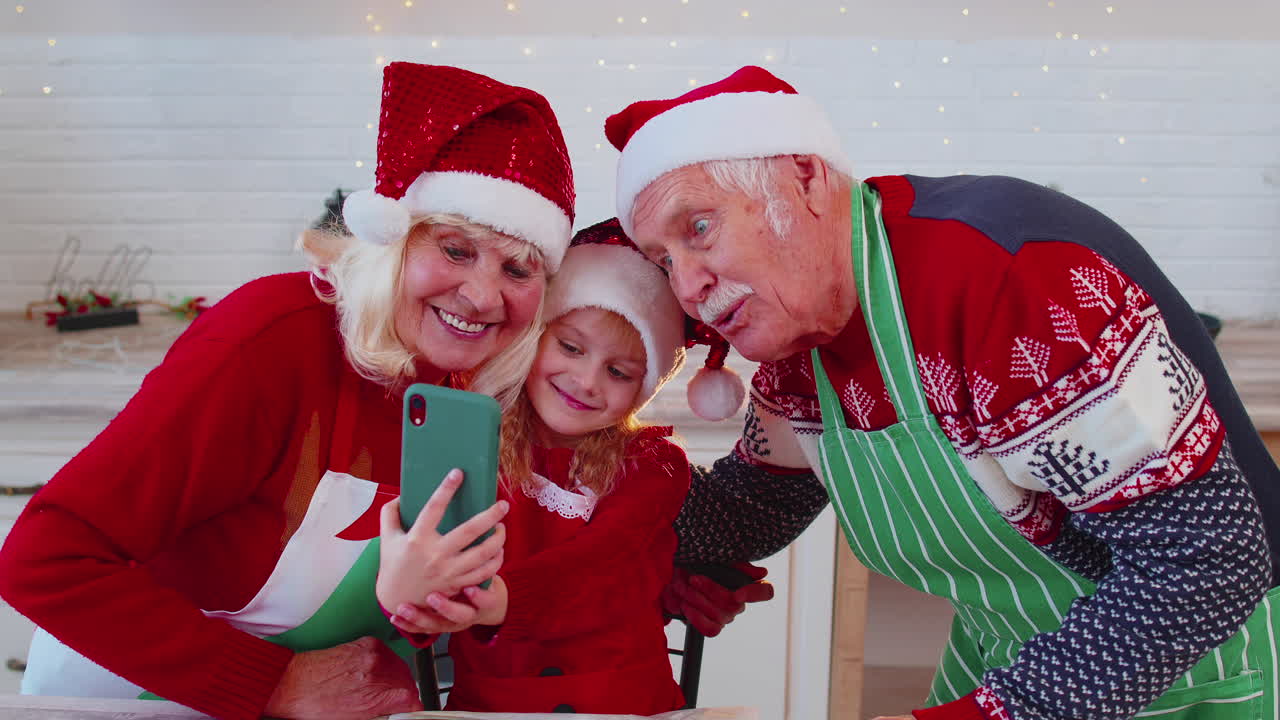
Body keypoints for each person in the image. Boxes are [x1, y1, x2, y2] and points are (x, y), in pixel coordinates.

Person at [605, 65, 1280, 719]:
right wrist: (600, 518)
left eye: (699, 229)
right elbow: (752, 506)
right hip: (1010, 650)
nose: (686, 286)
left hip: (1193, 662)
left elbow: (1207, 561)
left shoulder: (1004, 282)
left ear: (805, 178)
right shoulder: (797, 346)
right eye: (665, 261)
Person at [0, 62, 576, 720]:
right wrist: (276, 684)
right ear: (392, 242)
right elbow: (44, 558)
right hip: (131, 692)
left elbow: (396, 598)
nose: (482, 296)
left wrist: (426, 609)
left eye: (518, 269)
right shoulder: (271, 339)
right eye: (455, 250)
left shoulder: (471, 389)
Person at [381, 218, 694, 714]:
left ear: (643, 388)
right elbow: (432, 549)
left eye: (618, 372)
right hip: (488, 704)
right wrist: (424, 606)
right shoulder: (476, 439)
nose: (586, 380)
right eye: (570, 347)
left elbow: (602, 562)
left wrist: (506, 599)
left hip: (619, 704)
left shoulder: (654, 466)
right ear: (534, 338)